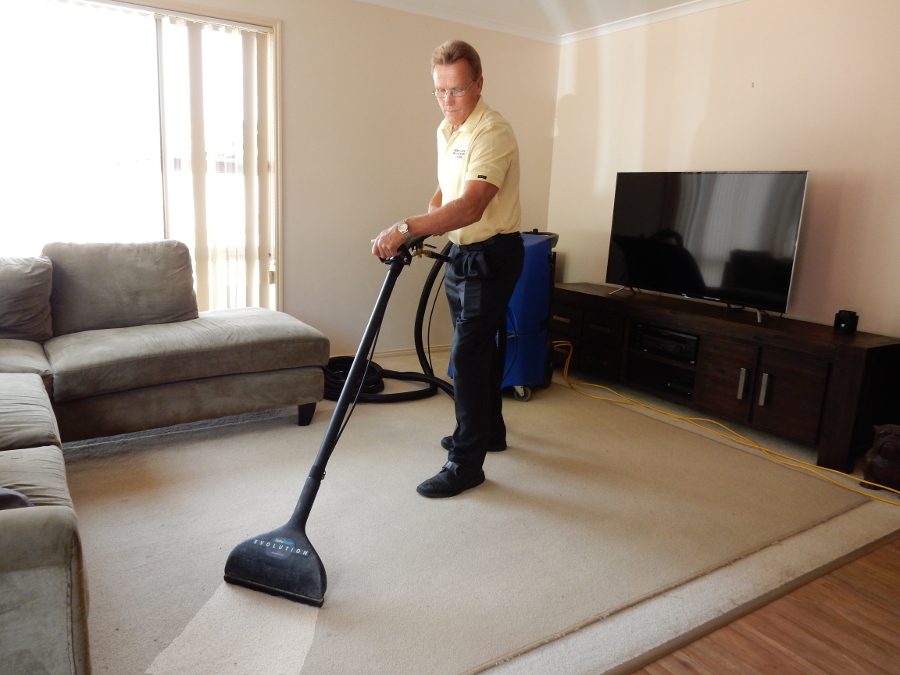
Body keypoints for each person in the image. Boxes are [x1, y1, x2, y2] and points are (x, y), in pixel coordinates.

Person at [371, 40, 524, 498]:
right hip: (463, 255)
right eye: (439, 92)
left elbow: (473, 206)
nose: (447, 101)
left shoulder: (492, 132)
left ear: (478, 84)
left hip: (492, 254)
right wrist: (420, 228)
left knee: (467, 360)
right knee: (481, 350)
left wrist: (404, 227)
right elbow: (446, 192)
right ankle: (489, 430)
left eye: (456, 91)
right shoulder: (448, 129)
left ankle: (466, 461)